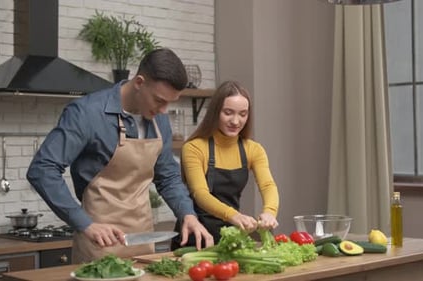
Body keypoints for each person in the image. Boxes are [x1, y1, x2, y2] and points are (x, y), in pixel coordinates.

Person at [27, 48, 213, 263]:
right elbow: (43, 169)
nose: (164, 110)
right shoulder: (87, 113)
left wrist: (187, 214)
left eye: (170, 103)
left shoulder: (158, 120)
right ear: (139, 83)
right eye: (159, 100)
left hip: (143, 244)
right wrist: (85, 223)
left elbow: (168, 176)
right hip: (98, 244)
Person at [171, 80, 280, 248]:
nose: (236, 121)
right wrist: (234, 216)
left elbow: (268, 185)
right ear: (215, 112)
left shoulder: (254, 150)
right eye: (228, 113)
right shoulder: (194, 147)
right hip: (195, 236)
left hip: (229, 236)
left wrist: (269, 212)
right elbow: (201, 194)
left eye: (243, 114)